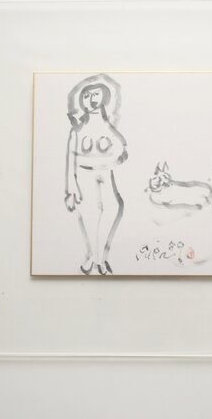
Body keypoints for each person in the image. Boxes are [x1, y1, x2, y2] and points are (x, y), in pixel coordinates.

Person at [64, 74, 128, 275]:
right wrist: (71, 186)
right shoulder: (77, 129)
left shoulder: (108, 124)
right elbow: (70, 157)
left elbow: (120, 145)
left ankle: (99, 258)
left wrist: (117, 156)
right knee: (91, 213)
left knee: (113, 208)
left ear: (105, 96)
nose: (91, 99)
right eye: (86, 95)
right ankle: (94, 258)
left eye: (95, 94)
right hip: (84, 174)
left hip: (105, 171)